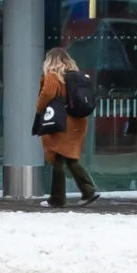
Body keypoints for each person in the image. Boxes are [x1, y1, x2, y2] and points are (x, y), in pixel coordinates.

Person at [34, 45, 100, 205]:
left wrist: (39, 108)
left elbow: (48, 93)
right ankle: (86, 191)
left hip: (61, 119)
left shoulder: (53, 75)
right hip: (77, 120)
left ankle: (59, 198)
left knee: (58, 156)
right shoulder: (75, 75)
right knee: (68, 157)